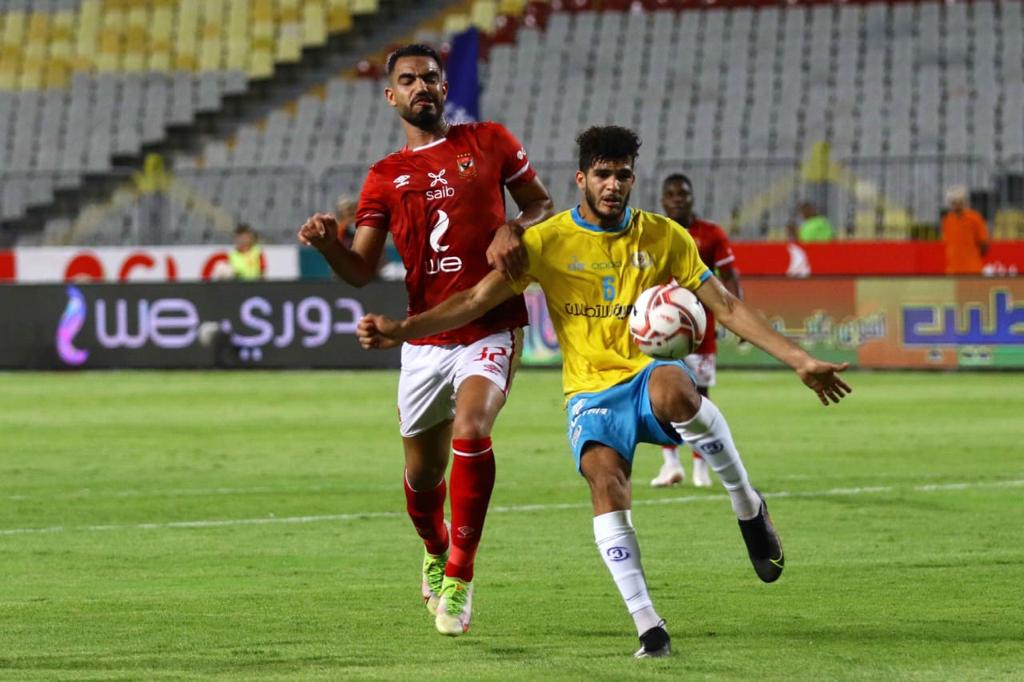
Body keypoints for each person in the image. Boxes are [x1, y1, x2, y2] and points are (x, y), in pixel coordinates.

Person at [357, 126, 852, 658]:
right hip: (589, 392)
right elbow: (476, 300)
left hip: (646, 373)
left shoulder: (664, 236)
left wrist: (800, 360)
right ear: (581, 179)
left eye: (622, 175)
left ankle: (746, 503)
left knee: (676, 390)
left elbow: (726, 307)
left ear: (633, 179)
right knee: (605, 483)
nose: (613, 185)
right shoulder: (547, 242)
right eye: (602, 175)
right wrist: (404, 330)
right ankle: (650, 627)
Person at [297, 44, 553, 637]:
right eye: (409, 79)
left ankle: (460, 575)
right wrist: (329, 245)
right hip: (426, 337)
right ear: (392, 96)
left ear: (444, 88)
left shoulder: (489, 141)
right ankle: (436, 548)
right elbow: (361, 270)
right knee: (421, 478)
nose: (422, 87)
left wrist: (515, 226)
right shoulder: (384, 177)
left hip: (490, 324)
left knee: (473, 429)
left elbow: (541, 204)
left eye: (430, 77)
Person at [652, 173, 743, 488]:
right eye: (672, 194)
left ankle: (701, 466)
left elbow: (729, 276)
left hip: (700, 331)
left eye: (683, 193)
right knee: (661, 394)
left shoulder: (711, 234)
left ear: (692, 198)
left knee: (700, 399)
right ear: (663, 200)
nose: (678, 199)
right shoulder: (654, 232)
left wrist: (737, 316)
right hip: (661, 330)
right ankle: (670, 464)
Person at [941, 185, 989, 275]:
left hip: (972, 269)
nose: (956, 204)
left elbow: (984, 244)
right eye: (954, 202)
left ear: (964, 202)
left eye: (959, 201)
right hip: (953, 269)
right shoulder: (947, 220)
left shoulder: (975, 218)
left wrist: (972, 256)